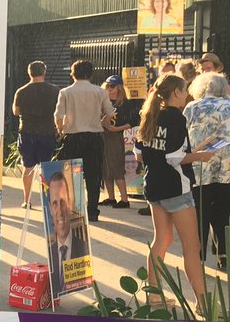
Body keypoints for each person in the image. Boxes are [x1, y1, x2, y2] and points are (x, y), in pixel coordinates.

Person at [138, 73, 218, 313]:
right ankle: (202, 303)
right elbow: (174, 157)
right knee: (191, 247)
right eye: (185, 90)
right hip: (176, 188)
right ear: (176, 93)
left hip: (153, 185)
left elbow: (140, 152)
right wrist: (200, 156)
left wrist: (191, 153)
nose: (188, 94)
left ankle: (153, 295)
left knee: (161, 240)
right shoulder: (176, 119)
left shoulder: (150, 115)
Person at [185, 72, 230, 268]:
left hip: (199, 168)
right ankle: (223, 255)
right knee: (221, 214)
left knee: (199, 214)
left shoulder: (192, 107)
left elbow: (184, 135)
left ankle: (199, 257)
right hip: (226, 170)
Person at [54, 60, 112, 223]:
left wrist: (60, 130)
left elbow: (58, 115)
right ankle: (92, 211)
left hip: (72, 137)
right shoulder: (100, 92)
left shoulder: (65, 92)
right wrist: (104, 122)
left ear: (73, 73)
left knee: (72, 175)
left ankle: (74, 209)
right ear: (91, 73)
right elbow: (110, 111)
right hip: (94, 137)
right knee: (94, 175)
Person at [12, 61, 60, 209]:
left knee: (28, 167)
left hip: (27, 131)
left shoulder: (21, 91)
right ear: (44, 72)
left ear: (29, 73)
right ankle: (48, 200)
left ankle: (27, 200)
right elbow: (59, 111)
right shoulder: (54, 91)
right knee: (46, 167)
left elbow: (16, 111)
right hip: (47, 132)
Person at [44, 167, 88, 296]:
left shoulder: (84, 250)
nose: (60, 212)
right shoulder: (50, 252)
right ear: (51, 209)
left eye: (63, 202)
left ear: (70, 203)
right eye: (55, 203)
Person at [101, 75, 138, 209]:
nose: (109, 89)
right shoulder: (102, 101)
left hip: (115, 136)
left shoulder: (124, 104)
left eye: (112, 86)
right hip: (102, 135)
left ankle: (124, 199)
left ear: (119, 88)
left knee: (116, 166)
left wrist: (117, 128)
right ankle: (111, 197)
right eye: (107, 86)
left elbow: (133, 121)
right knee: (105, 168)